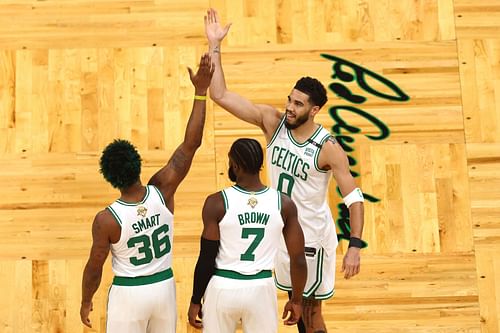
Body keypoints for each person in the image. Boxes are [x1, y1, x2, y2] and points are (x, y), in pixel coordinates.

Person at [204, 8, 365, 333]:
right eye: (290, 100)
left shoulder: (327, 148)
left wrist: (355, 247)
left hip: (311, 238)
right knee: (294, 310)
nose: (290, 107)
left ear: (315, 109)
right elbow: (219, 95)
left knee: (310, 313)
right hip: (278, 231)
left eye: (299, 104)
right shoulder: (273, 122)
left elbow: (355, 199)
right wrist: (215, 46)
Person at [80, 53, 215, 333]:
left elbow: (95, 267)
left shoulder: (107, 219)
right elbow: (191, 144)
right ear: (137, 164)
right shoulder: (162, 190)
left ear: (109, 177)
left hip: (129, 295)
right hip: (164, 289)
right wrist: (201, 92)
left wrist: (86, 300)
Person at [187, 138, 307, 333]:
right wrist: (296, 300)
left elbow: (206, 257)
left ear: (234, 164)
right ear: (260, 164)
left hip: (223, 286)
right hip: (261, 289)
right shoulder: (283, 204)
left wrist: (195, 300)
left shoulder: (217, 202)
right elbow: (299, 259)